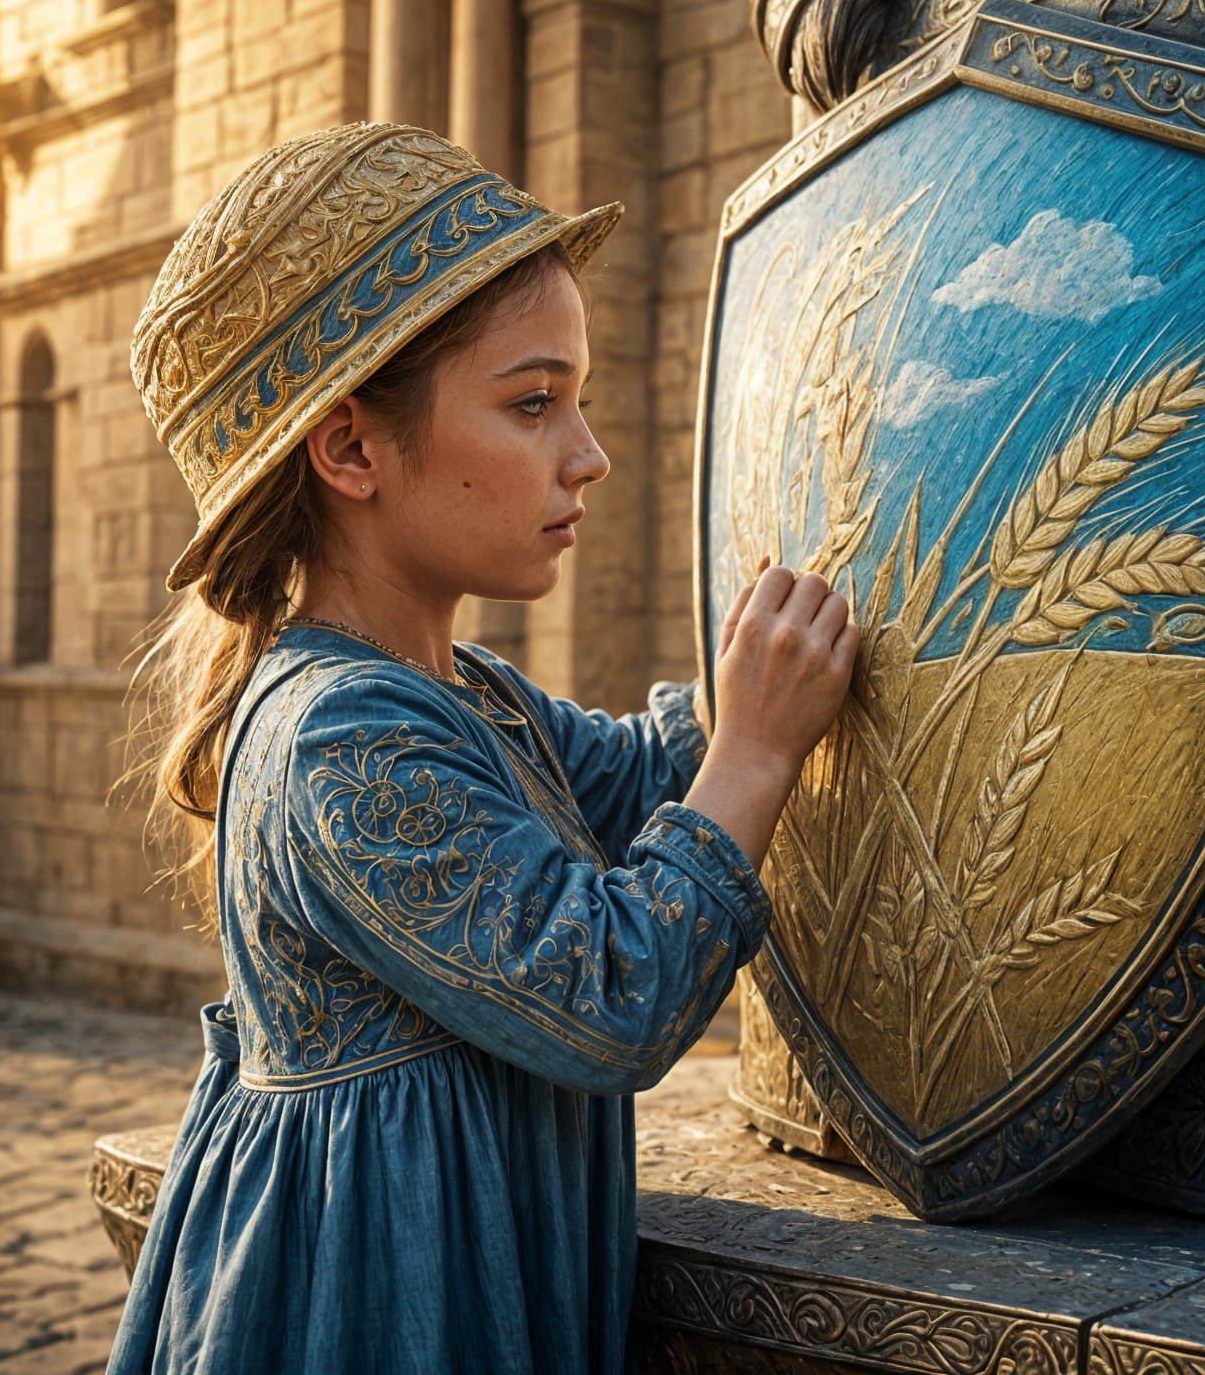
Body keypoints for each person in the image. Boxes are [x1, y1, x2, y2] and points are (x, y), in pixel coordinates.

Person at [108, 122, 859, 1374]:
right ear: (351, 448)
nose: (589, 455)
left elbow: (646, 774)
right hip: (367, 1318)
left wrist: (783, 661)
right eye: (532, 404)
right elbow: (612, 996)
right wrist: (758, 756)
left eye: (578, 401)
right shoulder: (337, 740)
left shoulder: (468, 696)